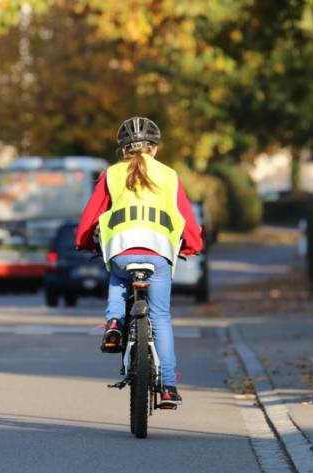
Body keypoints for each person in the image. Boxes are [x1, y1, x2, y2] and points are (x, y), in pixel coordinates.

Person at [75, 117, 203, 408]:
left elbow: (91, 216)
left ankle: (114, 324)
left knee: (118, 276)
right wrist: (194, 245)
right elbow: (186, 218)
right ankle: (169, 386)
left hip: (122, 251)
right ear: (154, 148)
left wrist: (83, 241)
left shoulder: (111, 175)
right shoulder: (170, 176)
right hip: (158, 254)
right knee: (160, 318)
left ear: (123, 151)